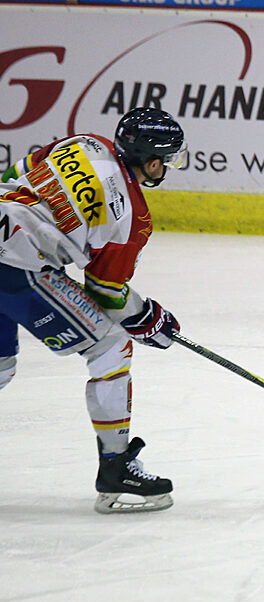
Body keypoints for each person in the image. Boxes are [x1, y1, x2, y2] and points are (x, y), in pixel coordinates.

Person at [0, 107, 186, 514]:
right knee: (111, 347)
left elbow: (13, 173)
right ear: (153, 162)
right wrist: (149, 318)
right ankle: (116, 467)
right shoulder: (132, 216)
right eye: (167, 160)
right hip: (17, 265)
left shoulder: (84, 144)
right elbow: (105, 290)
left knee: (0, 368)